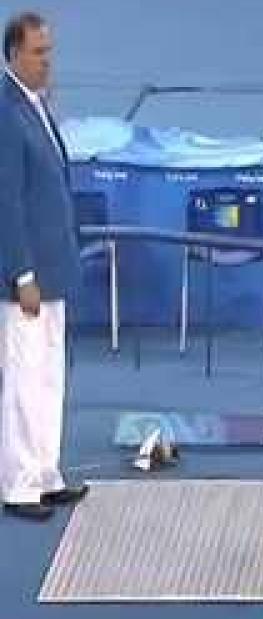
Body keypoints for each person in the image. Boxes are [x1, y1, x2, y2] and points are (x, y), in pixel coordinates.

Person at [0, 11, 85, 521]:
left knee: (49, 377)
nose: (46, 61)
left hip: (52, 270)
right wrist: (21, 273)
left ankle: (45, 473)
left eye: (50, 51)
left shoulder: (32, 105)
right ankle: (17, 483)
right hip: (27, 278)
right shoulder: (6, 112)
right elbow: (6, 201)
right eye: (37, 52)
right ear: (13, 55)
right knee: (23, 379)